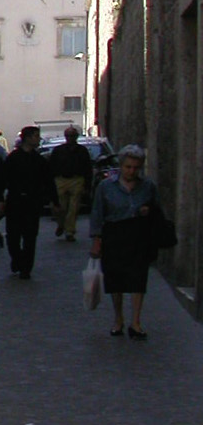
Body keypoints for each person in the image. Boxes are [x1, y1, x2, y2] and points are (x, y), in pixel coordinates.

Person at [89, 144, 160, 339]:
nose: (132, 171)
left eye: (136, 167)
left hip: (138, 234)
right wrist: (96, 239)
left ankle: (136, 322)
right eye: (128, 167)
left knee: (138, 278)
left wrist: (149, 211)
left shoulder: (147, 186)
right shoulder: (106, 187)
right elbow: (97, 213)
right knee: (116, 279)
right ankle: (118, 319)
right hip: (114, 234)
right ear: (121, 166)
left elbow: (157, 209)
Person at [3, 124, 56, 278]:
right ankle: (17, 258)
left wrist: (54, 200)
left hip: (33, 202)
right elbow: (3, 179)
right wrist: (0, 199)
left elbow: (48, 181)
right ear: (27, 138)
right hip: (15, 201)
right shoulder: (13, 158)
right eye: (36, 136)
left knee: (30, 236)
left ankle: (26, 268)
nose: (39, 139)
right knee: (12, 236)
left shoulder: (39, 160)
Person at [48, 125, 94, 241]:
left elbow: (88, 168)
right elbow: (51, 166)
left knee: (73, 208)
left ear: (76, 137)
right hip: (61, 180)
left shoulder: (82, 151)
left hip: (76, 179)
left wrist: (87, 185)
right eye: (68, 136)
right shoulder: (58, 150)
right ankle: (61, 224)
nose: (70, 138)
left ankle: (70, 231)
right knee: (59, 207)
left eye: (72, 136)